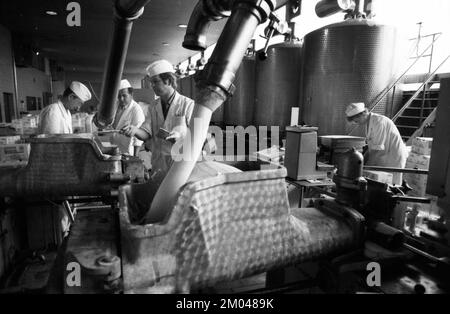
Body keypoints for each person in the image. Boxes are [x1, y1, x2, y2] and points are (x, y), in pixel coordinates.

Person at [121, 60, 194, 177]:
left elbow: (198, 138)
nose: (152, 86)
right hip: (158, 162)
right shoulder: (153, 106)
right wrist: (134, 130)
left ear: (168, 80)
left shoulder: (188, 104)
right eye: (151, 82)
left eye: (155, 82)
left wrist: (181, 139)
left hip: (180, 163)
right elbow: (147, 133)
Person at [345, 102, 408, 185]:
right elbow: (371, 148)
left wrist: (365, 167)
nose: (357, 124)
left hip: (393, 157)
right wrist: (362, 160)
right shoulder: (369, 122)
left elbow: (377, 148)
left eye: (356, 121)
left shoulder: (378, 121)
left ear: (362, 114)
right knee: (382, 184)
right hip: (384, 156)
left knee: (393, 185)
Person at [109, 79, 145, 156]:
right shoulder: (115, 105)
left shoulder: (136, 109)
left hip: (127, 152)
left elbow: (138, 138)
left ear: (131, 94)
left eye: (124, 95)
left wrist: (135, 157)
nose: (121, 99)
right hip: (113, 148)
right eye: (118, 96)